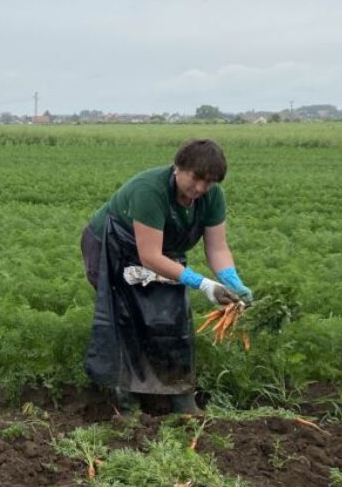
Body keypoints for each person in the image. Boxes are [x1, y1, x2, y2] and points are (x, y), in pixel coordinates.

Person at [81, 139, 253, 415]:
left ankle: (180, 396)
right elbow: (149, 256)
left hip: (160, 251)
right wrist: (204, 284)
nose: (200, 188)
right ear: (178, 167)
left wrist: (233, 281)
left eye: (208, 182)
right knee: (128, 317)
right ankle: (128, 402)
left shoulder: (212, 197)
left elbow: (217, 247)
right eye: (196, 178)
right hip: (112, 246)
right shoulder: (149, 191)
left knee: (172, 316)